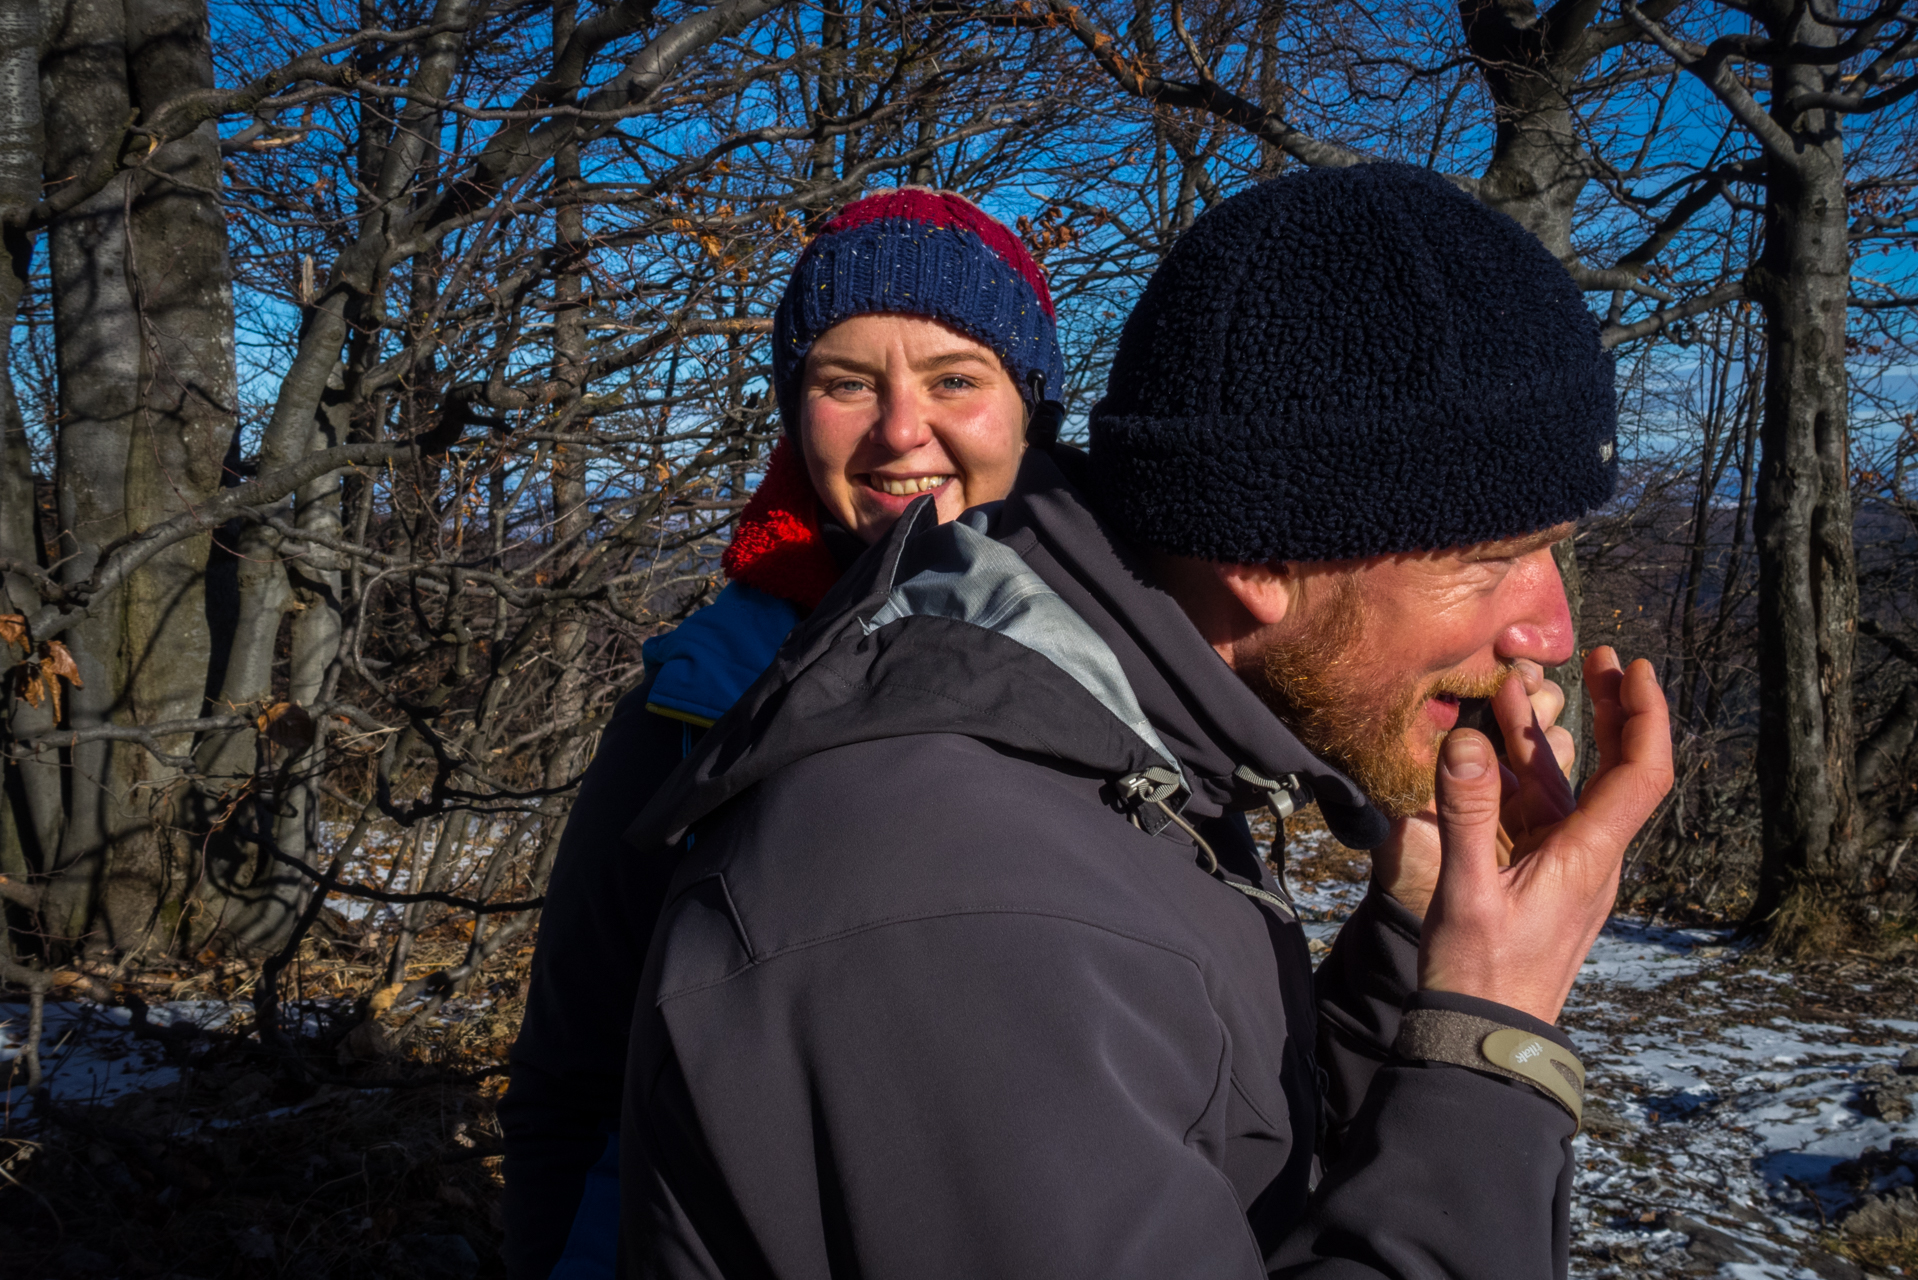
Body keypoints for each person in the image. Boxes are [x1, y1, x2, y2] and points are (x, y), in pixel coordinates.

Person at [618, 162, 1674, 1277]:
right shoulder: (965, 902)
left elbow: (1234, 1163)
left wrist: (1416, 930)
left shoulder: (1128, 743)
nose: (1551, 628)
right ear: (1266, 554)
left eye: (1553, 548)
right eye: (1494, 559)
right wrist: (1491, 1047)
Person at [499, 189, 1067, 1280]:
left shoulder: (1144, 672)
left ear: (1028, 404)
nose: (901, 429)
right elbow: (574, 1071)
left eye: (955, 378)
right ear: (795, 410)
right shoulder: (696, 697)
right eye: (846, 382)